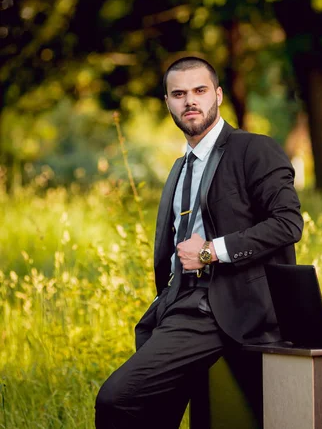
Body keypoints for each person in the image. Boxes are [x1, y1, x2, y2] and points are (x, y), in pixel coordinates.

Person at [95, 56, 304, 428]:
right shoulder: (181, 167)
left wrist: (210, 251)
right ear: (168, 103)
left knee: (118, 400)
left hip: (224, 308)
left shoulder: (253, 148)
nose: (189, 100)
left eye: (199, 90)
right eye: (179, 94)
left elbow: (287, 224)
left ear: (218, 96)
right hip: (176, 306)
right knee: (155, 415)